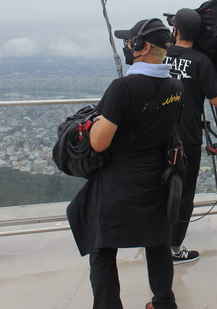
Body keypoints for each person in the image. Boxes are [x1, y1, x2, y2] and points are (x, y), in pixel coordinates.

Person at [67, 18, 183, 309]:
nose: (128, 46)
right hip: (157, 178)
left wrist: (93, 120)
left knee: (102, 247)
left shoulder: (122, 87)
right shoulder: (175, 86)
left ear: (143, 47)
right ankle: (164, 302)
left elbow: (98, 143)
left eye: (131, 41)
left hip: (119, 181)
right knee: (157, 243)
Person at [163, 8, 217, 264]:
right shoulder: (201, 61)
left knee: (157, 187)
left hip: (158, 135)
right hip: (187, 138)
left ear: (175, 30)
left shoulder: (160, 55)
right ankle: (174, 248)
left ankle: (153, 238)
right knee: (183, 193)